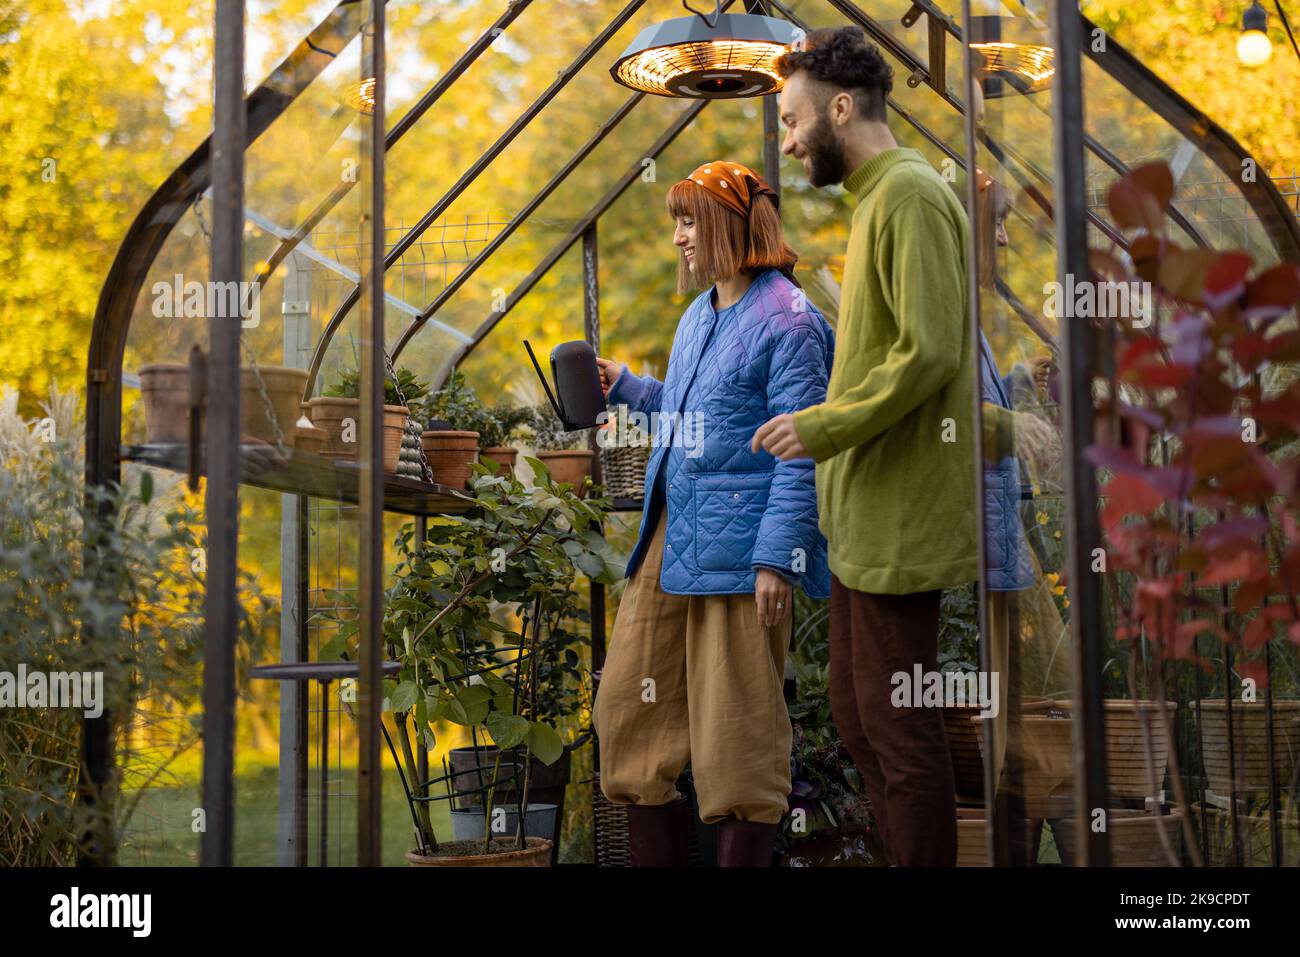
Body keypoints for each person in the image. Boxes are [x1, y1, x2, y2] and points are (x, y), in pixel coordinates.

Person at [752, 26, 977, 866]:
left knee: (900, 734)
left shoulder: (912, 197)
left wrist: (821, 427)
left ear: (839, 108)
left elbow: (929, 353)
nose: (787, 137)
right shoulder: (878, 199)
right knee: (859, 718)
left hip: (898, 526)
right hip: (862, 529)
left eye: (790, 117)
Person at [592, 159, 834, 867]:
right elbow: (699, 416)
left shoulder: (790, 318)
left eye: (688, 219)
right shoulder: (700, 315)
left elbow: (804, 446)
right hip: (672, 542)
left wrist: (777, 556)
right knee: (627, 718)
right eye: (676, 221)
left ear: (728, 223)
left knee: (738, 743)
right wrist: (632, 388)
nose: (677, 238)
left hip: (745, 556)